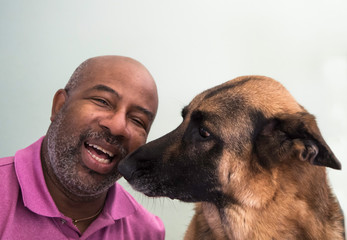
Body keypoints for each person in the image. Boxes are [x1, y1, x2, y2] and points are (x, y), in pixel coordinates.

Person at [0, 55, 165, 239]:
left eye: (137, 120)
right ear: (59, 106)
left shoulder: (146, 232)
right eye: (103, 101)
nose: (118, 127)